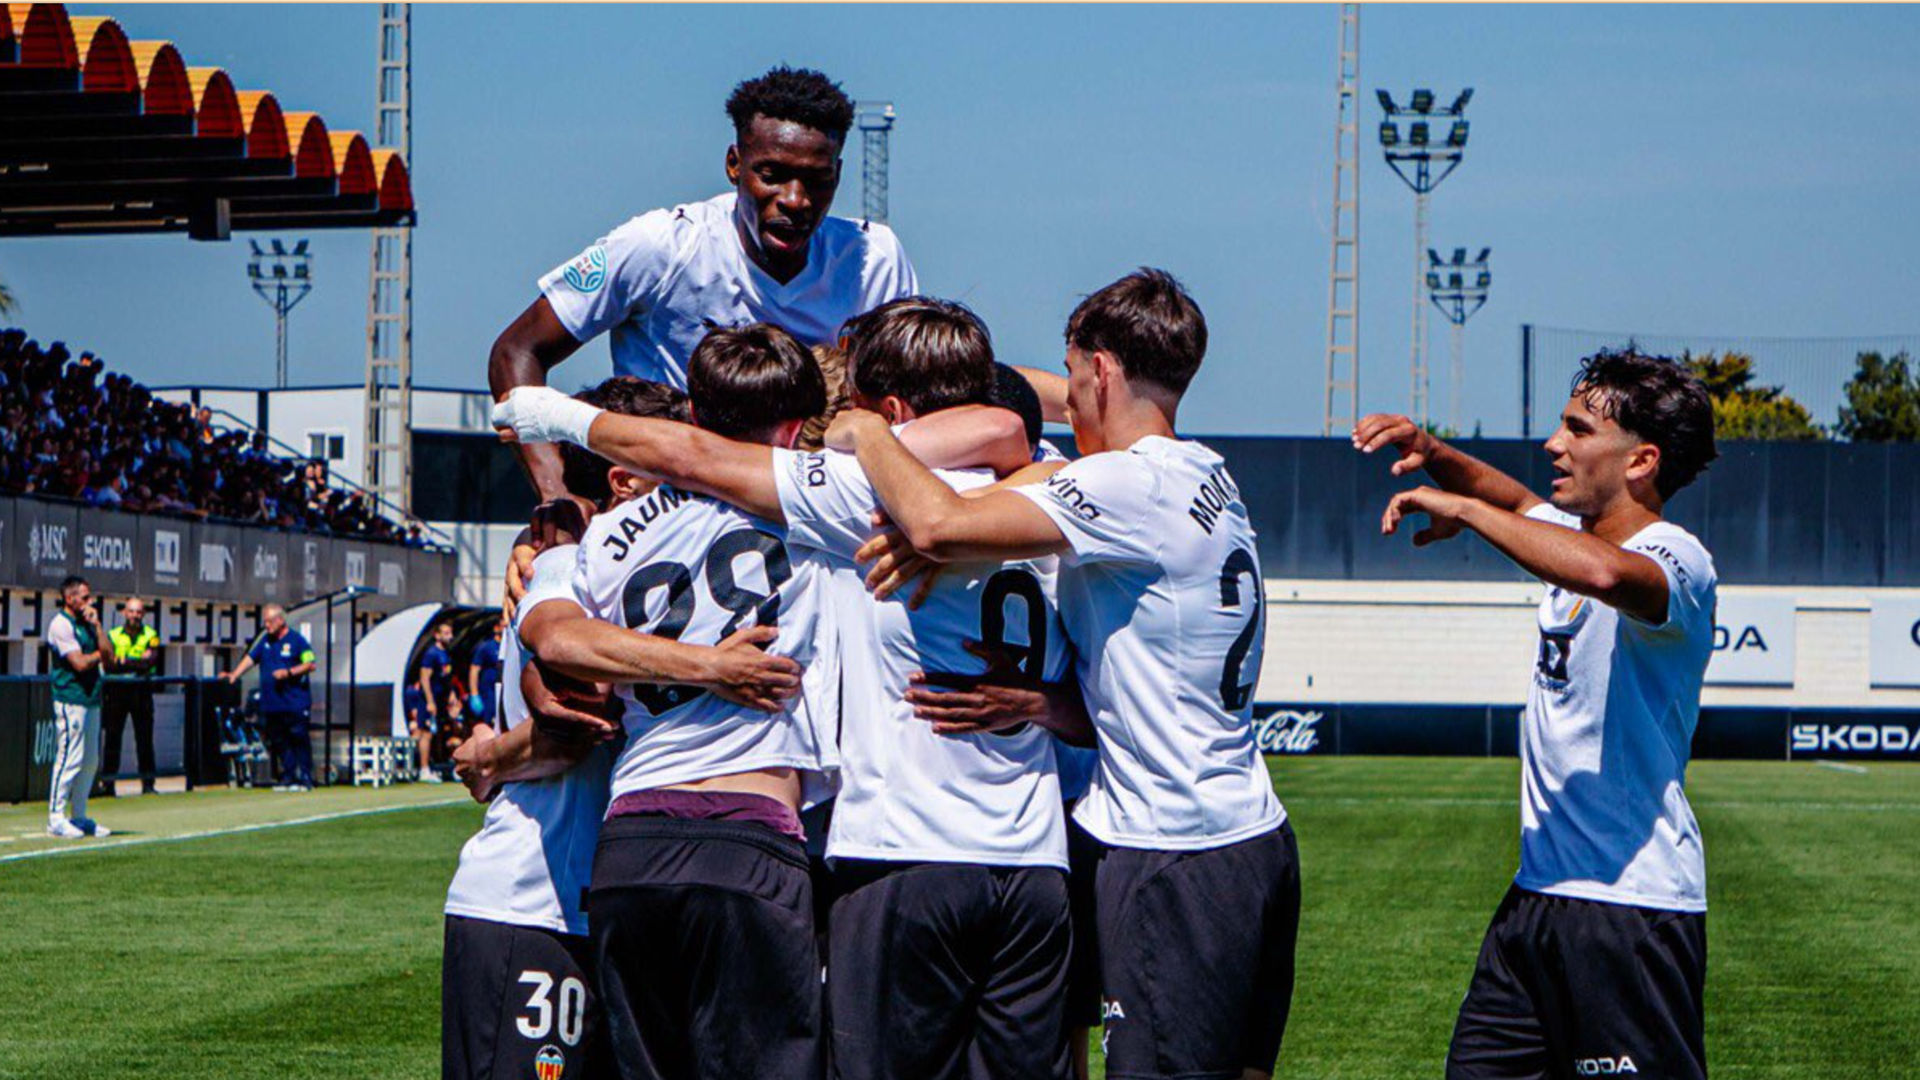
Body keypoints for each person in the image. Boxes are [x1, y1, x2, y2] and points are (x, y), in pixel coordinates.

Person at [499, 300, 1085, 1080]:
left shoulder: (847, 497)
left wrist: (556, 417)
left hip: (884, 853)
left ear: (893, 409)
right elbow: (1017, 431)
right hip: (1033, 860)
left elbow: (690, 466)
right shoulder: (1058, 498)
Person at [821, 269, 1300, 1080]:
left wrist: (866, 433)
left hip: (1170, 851)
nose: (1065, 402)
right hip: (1252, 840)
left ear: (1103, 372)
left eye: (1074, 376)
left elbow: (938, 520)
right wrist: (1046, 703)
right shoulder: (1207, 474)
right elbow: (1019, 423)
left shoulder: (1121, 483)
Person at [1353, 350, 1719, 1080]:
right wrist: (1434, 455)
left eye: (1578, 430)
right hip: (1536, 900)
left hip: (1631, 911)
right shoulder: (1570, 532)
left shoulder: (1676, 557)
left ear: (1641, 460)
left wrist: (1465, 508)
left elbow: (1604, 572)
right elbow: (1524, 508)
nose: (1555, 444)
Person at [497, 324, 847, 1080]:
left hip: (631, 846)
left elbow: (555, 638)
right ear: (793, 429)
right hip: (750, 833)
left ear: (689, 413)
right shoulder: (821, 500)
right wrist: (715, 669)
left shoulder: (604, 535)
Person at [487, 64, 917, 533]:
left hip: (807, 518)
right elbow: (518, 351)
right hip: (663, 516)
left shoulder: (872, 259)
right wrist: (557, 499)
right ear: (735, 165)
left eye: (816, 180)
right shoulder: (661, 246)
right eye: (773, 175)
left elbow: (919, 405)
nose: (795, 200)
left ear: (838, 174)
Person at [222, 605, 317, 792]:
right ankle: (288, 777)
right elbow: (251, 658)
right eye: (264, 621)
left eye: (269, 621)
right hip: (273, 703)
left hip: (295, 702)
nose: (266, 625)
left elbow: (310, 664)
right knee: (279, 740)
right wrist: (235, 674)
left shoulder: (297, 640)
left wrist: (288, 673)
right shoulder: (265, 641)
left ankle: (305, 777)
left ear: (280, 620)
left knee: (298, 738)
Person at [45, 575, 112, 838]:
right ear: (69, 598)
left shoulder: (87, 622)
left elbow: (112, 654)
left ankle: (80, 815)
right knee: (69, 758)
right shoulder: (60, 624)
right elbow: (80, 663)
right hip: (71, 698)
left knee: (90, 760)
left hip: (91, 697)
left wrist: (98, 627)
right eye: (84, 597)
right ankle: (55, 817)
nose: (89, 602)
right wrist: (101, 655)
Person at [102, 597, 162, 797]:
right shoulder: (113, 635)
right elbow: (109, 664)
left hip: (142, 692)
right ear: (124, 613)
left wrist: (124, 661)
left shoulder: (152, 635)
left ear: (143, 614)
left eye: (138, 612)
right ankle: (108, 784)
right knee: (112, 738)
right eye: (131, 611)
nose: (135, 616)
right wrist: (135, 661)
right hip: (117, 692)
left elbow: (150, 663)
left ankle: (148, 784)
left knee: (145, 739)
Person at [416, 621, 456, 783]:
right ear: (437, 635)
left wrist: (452, 694)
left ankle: (438, 765)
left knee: (439, 733)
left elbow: (446, 678)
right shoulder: (431, 653)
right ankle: (423, 769)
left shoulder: (445, 653)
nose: (450, 636)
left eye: (450, 633)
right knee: (426, 733)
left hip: (441, 700)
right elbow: (424, 677)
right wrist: (430, 701)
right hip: (428, 700)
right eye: (446, 633)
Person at [467, 617, 505, 726]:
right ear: (496, 628)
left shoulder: (508, 646)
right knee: (489, 723)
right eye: (503, 626)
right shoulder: (486, 647)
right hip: (488, 691)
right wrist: (474, 694)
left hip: (503, 690)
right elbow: (474, 670)